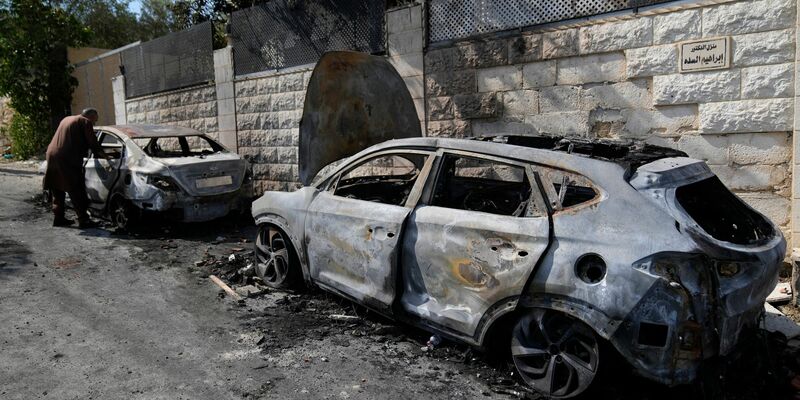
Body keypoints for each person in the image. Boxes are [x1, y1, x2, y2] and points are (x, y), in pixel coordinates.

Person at [43, 108, 109, 228]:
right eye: (95, 121)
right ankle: (84, 220)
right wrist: (105, 155)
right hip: (66, 158)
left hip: (51, 154)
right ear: (91, 116)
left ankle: (59, 218)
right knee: (76, 188)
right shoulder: (85, 121)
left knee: (57, 187)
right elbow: (93, 142)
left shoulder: (67, 119)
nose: (94, 124)